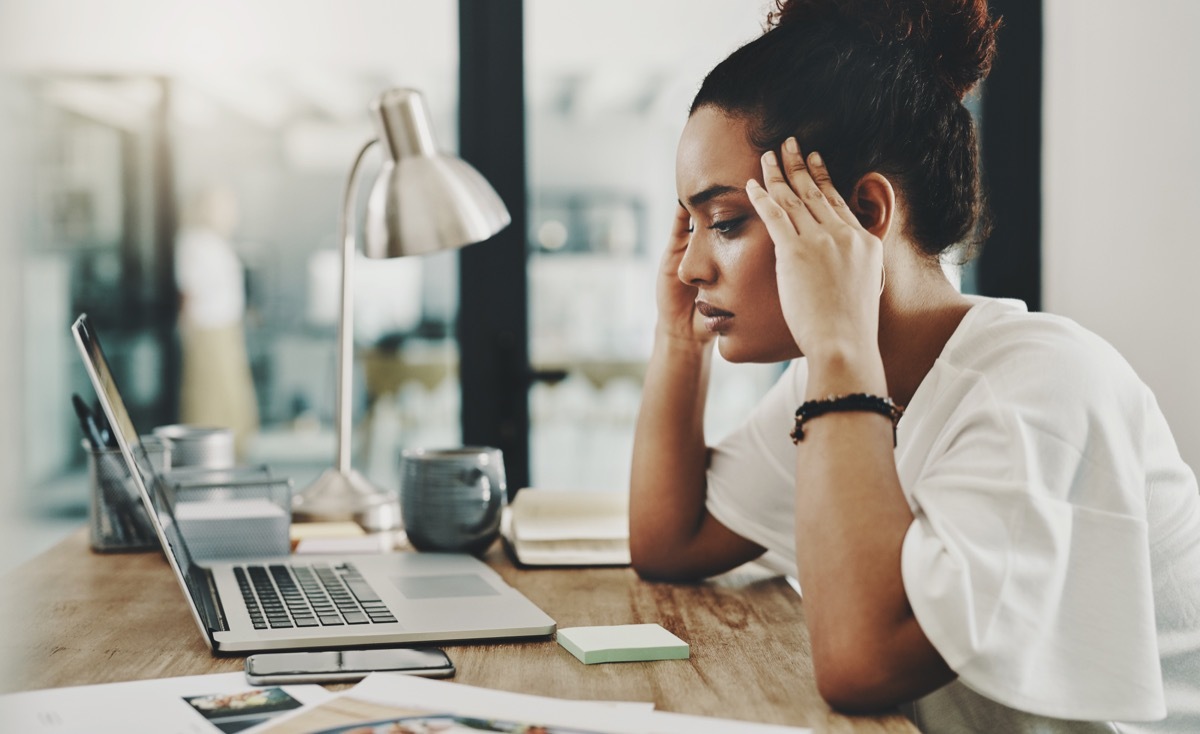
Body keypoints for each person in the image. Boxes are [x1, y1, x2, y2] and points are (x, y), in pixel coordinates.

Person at [628, 1, 1200, 731]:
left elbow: (861, 662)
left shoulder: (1039, 387)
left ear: (865, 216)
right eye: (691, 226)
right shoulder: (838, 380)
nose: (689, 265)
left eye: (728, 222)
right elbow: (672, 541)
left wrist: (837, 347)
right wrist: (679, 343)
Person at [175, 185, 260, 458]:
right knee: (209, 395)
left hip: (226, 328)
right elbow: (189, 291)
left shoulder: (216, 241)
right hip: (208, 330)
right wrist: (186, 330)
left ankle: (232, 451)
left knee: (231, 393)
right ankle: (206, 454)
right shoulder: (194, 241)